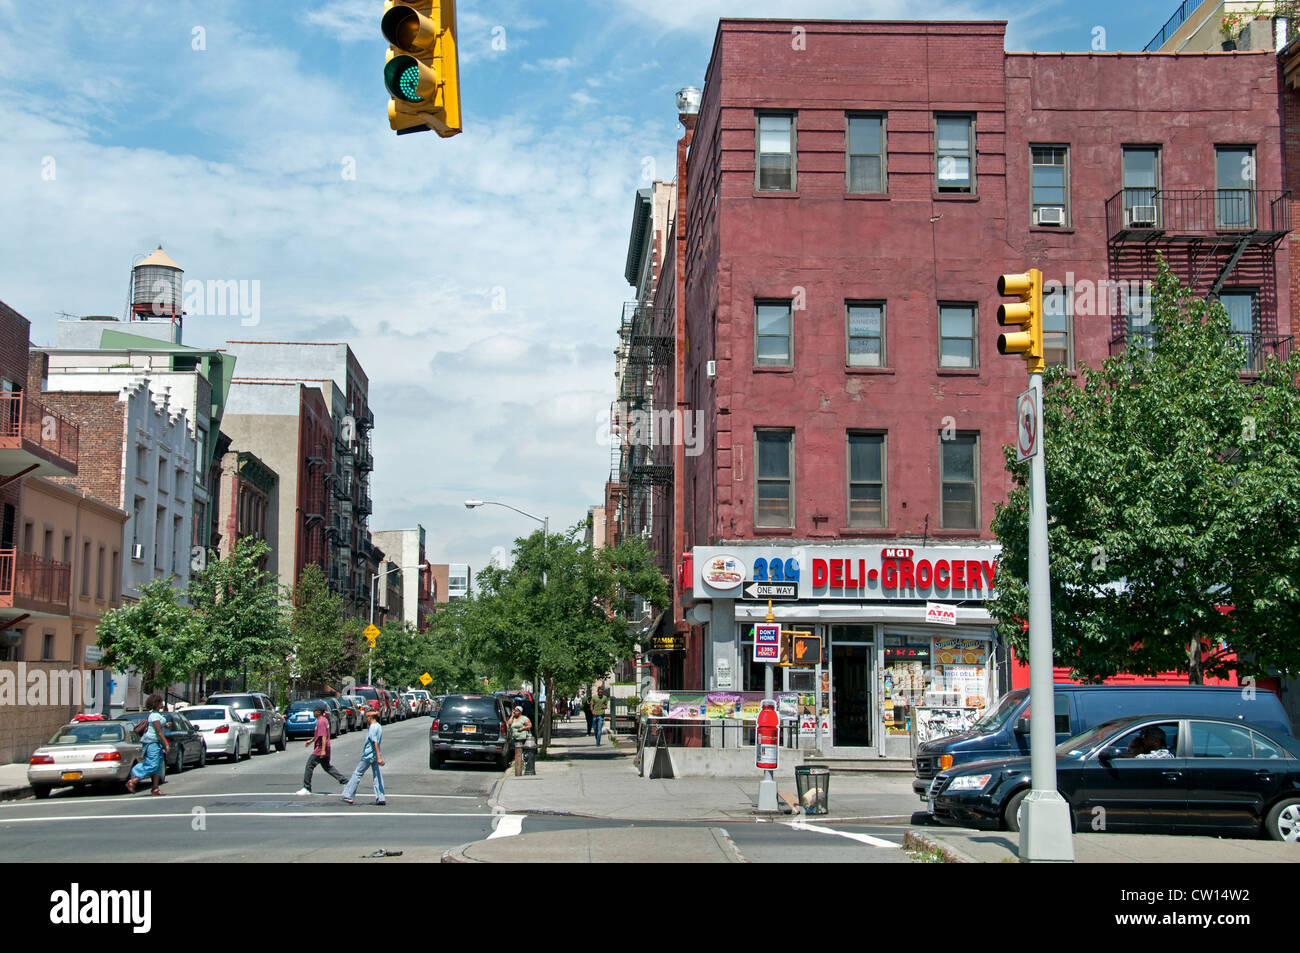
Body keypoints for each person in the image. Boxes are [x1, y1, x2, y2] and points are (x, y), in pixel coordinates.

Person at [297, 704, 348, 795]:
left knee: (309, 766)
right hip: (323, 748)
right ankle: (345, 782)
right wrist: (311, 741)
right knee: (327, 767)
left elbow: (324, 736)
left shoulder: (321, 722)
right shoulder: (323, 720)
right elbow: (319, 735)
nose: (313, 713)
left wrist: (323, 750)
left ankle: (306, 788)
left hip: (320, 748)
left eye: (314, 711)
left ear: (318, 712)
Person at [126, 694, 169, 795]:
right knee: (152, 765)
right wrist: (166, 744)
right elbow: (158, 731)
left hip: (156, 743)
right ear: (157, 703)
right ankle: (133, 781)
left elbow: (158, 726)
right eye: (161, 701)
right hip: (152, 743)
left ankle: (155, 788)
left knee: (158, 765)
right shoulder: (154, 716)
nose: (162, 703)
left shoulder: (156, 714)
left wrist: (165, 724)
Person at [341, 709, 385, 805]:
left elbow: (375, 742)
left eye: (367, 717)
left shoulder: (373, 727)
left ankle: (348, 795)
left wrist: (379, 757)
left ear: (371, 717)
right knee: (377, 776)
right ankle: (380, 797)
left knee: (357, 773)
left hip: (368, 755)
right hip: (373, 755)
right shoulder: (378, 726)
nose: (366, 719)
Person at [507, 705, 533, 776]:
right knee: (515, 750)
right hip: (514, 737)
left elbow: (529, 725)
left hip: (522, 737)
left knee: (521, 750)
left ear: (520, 712)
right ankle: (517, 762)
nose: (515, 712)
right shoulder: (514, 718)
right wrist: (512, 716)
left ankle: (521, 763)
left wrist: (522, 728)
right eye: (514, 711)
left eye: (516, 711)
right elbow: (508, 723)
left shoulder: (524, 718)